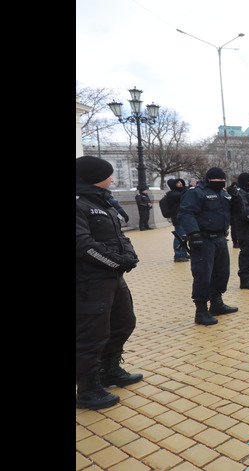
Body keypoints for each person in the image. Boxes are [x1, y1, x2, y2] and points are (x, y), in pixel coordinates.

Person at [76, 156, 142, 410]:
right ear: (95, 177)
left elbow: (119, 236)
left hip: (113, 278)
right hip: (89, 282)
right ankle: (88, 388)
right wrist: (116, 262)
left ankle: (109, 370)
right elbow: (82, 244)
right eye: (109, 175)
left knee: (124, 321)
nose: (113, 179)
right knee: (91, 334)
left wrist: (129, 255)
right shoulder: (80, 204)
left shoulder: (102, 201)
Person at [178, 167, 237, 326]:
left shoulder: (223, 194)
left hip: (220, 238)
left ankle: (217, 303)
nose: (221, 183)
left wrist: (237, 198)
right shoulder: (195, 192)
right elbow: (186, 213)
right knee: (203, 274)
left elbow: (233, 213)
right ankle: (201, 311)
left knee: (221, 272)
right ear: (210, 179)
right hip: (203, 239)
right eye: (218, 180)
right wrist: (194, 233)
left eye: (223, 180)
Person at [163, 178, 190, 262]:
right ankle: (178, 254)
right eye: (178, 183)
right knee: (179, 236)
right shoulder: (172, 194)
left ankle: (184, 252)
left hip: (183, 216)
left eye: (181, 182)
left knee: (184, 236)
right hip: (177, 217)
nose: (180, 183)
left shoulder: (181, 191)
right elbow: (182, 194)